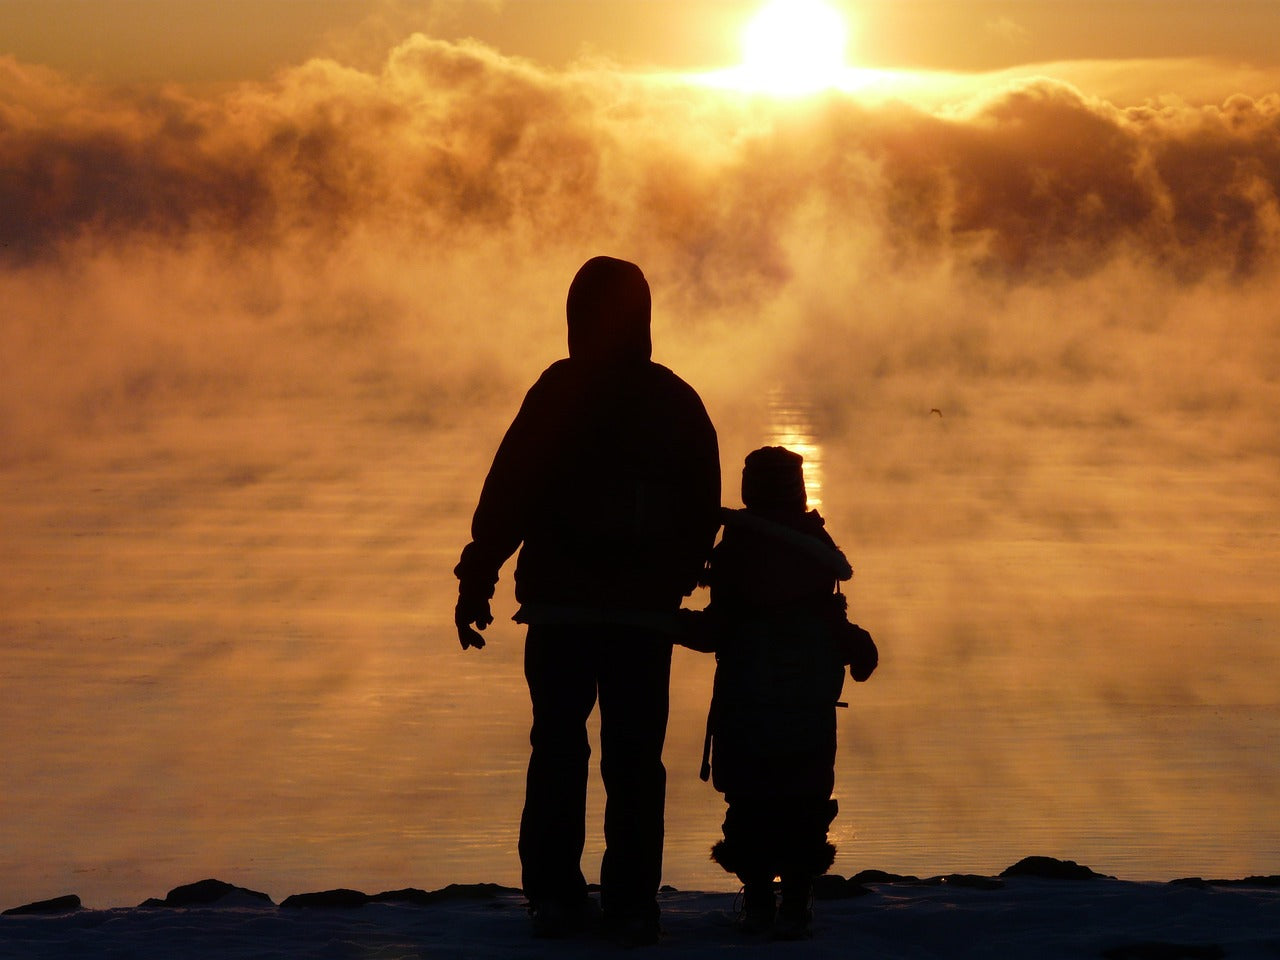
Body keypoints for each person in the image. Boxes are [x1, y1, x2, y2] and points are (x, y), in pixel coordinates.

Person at [453, 256, 721, 945]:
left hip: (561, 610)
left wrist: (477, 576)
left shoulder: (558, 390)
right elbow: (700, 506)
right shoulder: (675, 400)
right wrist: (679, 573)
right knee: (634, 759)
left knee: (558, 750)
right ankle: (631, 904)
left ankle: (557, 899)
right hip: (640, 616)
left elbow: (509, 490)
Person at [690, 446, 877, 940]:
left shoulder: (736, 548)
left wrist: (660, 623)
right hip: (807, 714)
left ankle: (758, 905)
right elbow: (832, 623)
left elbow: (715, 631)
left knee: (750, 806)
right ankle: (795, 904)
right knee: (805, 805)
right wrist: (859, 649)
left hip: (745, 711)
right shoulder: (814, 546)